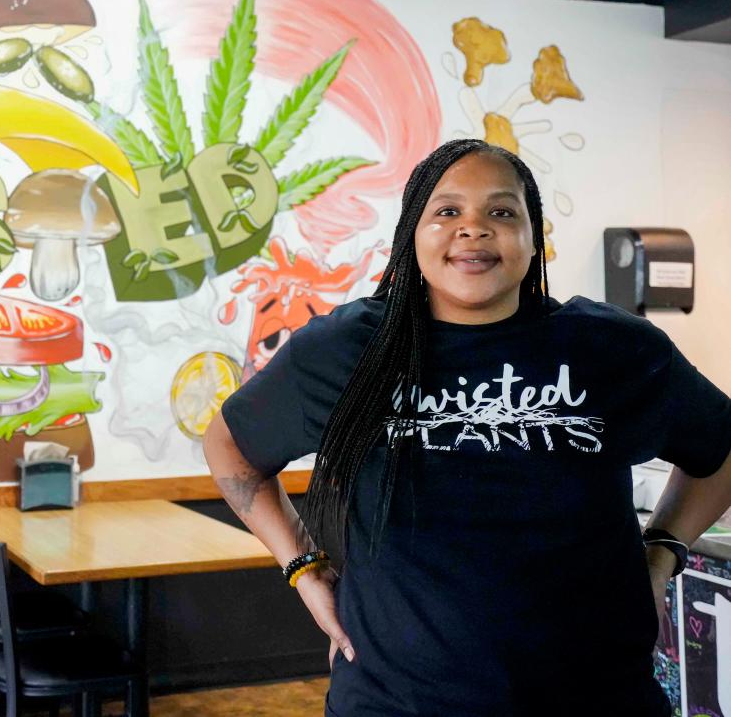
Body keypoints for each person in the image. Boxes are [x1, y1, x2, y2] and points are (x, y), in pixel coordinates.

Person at [204, 138, 731, 716]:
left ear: (534, 239)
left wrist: (661, 554)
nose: (474, 229)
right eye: (447, 211)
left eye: (502, 212)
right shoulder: (347, 350)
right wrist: (302, 566)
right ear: (412, 235)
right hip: (395, 702)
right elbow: (230, 445)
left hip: (599, 698)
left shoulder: (613, 349)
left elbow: (721, 447)